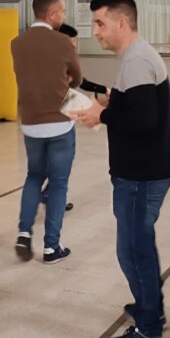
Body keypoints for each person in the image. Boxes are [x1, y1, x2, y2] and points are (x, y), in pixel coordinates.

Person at [73, 0, 170, 338]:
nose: (96, 32)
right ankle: (151, 309)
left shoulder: (136, 61)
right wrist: (108, 104)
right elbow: (137, 106)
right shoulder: (138, 55)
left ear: (121, 22)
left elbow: (144, 120)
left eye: (100, 23)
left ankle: (148, 333)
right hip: (144, 170)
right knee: (137, 245)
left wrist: (102, 114)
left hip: (140, 174)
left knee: (133, 250)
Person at [10, 0, 82, 263]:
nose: (64, 15)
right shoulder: (63, 41)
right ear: (52, 13)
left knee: (33, 176)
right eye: (62, 10)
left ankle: (24, 232)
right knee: (59, 183)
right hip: (60, 122)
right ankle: (51, 246)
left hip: (30, 122)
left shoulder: (17, 43)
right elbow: (77, 78)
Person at [38, 23, 108, 212]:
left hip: (58, 119)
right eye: (71, 44)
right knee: (60, 161)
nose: (74, 48)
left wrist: (103, 90)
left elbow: (80, 82)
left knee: (56, 160)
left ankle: (47, 194)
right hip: (54, 120)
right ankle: (49, 196)